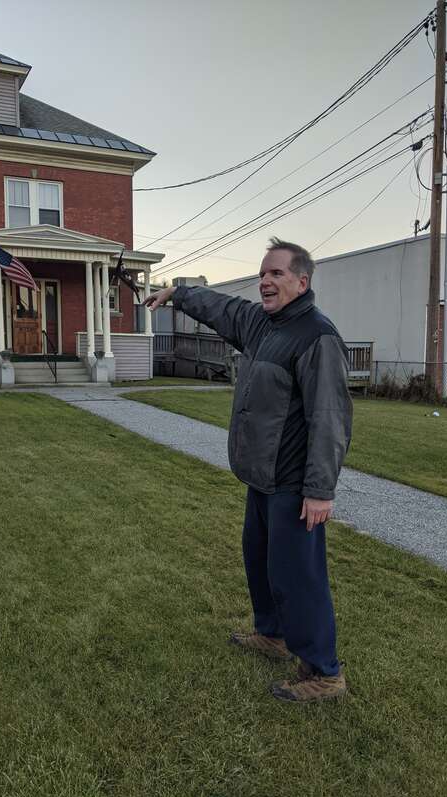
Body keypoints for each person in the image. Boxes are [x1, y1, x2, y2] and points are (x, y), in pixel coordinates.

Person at [144, 238, 353, 703]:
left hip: (294, 484)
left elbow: (330, 418)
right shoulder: (263, 324)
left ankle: (324, 671)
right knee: (259, 562)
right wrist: (176, 293)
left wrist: (319, 491)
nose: (265, 281)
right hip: (261, 478)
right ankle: (272, 635)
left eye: (276, 273)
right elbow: (221, 307)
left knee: (298, 576)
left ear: (303, 281)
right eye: (262, 273)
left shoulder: (316, 337)